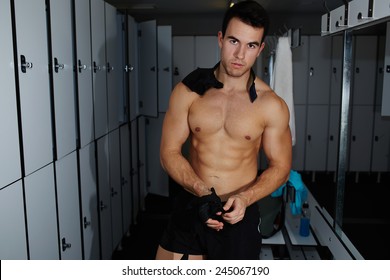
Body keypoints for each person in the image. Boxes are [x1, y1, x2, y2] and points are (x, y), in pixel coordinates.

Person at [156, 0, 292, 260]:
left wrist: (245, 198)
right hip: (192, 203)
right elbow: (168, 152)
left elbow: (281, 167)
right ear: (220, 39)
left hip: (239, 211)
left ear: (260, 48)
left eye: (251, 45)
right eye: (234, 41)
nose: (240, 54)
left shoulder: (271, 105)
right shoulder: (188, 91)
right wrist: (201, 192)